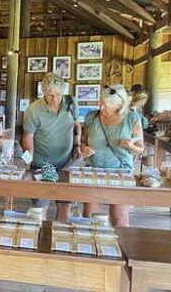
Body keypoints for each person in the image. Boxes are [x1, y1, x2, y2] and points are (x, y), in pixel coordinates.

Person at [81, 84, 144, 226]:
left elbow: (140, 148)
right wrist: (84, 148)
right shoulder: (92, 117)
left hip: (121, 173)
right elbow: (83, 141)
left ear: (120, 104)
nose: (102, 107)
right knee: (89, 218)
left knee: (120, 220)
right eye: (101, 102)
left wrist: (130, 145)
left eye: (107, 104)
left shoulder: (131, 118)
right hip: (94, 171)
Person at [22, 73, 80, 222]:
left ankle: (60, 240)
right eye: (50, 95)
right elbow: (28, 137)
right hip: (42, 165)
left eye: (59, 95)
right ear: (43, 93)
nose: (55, 100)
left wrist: (77, 144)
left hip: (66, 164)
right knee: (40, 208)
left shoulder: (71, 103)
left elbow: (76, 125)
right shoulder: (33, 110)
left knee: (64, 205)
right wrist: (27, 162)